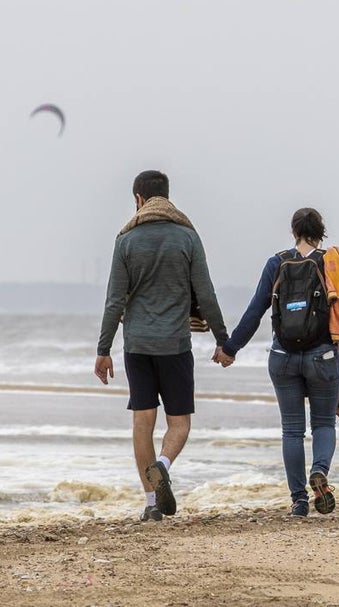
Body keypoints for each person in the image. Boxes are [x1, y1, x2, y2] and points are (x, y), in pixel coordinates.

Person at [95, 170, 230, 521]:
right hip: (175, 345)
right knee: (179, 423)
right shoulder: (187, 237)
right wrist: (222, 339)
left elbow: (114, 300)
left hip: (137, 345)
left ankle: (152, 503)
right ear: (166, 198)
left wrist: (103, 349)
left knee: (143, 422)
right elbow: (206, 293)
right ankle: (164, 466)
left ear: (138, 199)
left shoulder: (125, 240)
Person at [213, 207, 339, 517]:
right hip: (324, 355)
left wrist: (230, 348)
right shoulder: (329, 262)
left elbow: (255, 311)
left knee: (292, 431)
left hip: (283, 357)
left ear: (294, 232)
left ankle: (299, 501)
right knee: (322, 423)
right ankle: (320, 473)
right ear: (321, 233)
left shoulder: (276, 262)